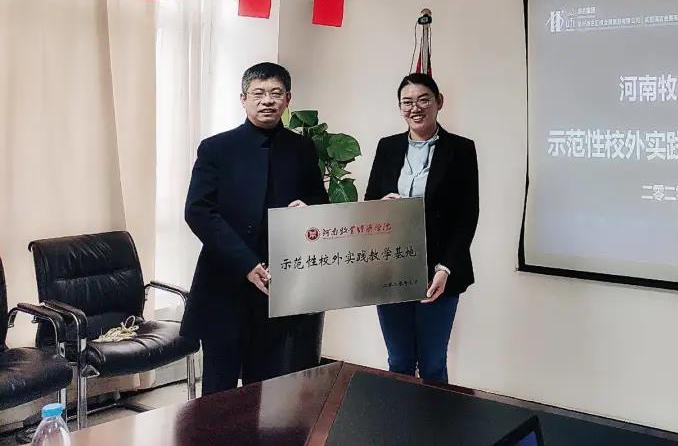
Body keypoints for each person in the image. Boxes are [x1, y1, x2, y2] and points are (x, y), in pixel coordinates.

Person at [181, 62, 329, 395]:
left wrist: (309, 209)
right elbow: (198, 211)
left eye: (276, 93)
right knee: (218, 392)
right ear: (243, 99)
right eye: (258, 93)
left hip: (279, 283)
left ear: (288, 98)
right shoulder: (216, 148)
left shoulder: (301, 148)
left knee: (266, 390)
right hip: (226, 280)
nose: (267, 101)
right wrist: (247, 263)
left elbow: (319, 202)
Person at [364, 73, 479, 384]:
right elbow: (370, 202)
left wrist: (446, 268)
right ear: (400, 108)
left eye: (423, 100)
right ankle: (400, 417)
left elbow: (467, 215)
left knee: (432, 363)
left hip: (438, 271)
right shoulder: (388, 147)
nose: (415, 108)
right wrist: (381, 204)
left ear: (439, 102)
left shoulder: (461, 149)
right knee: (399, 360)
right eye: (407, 102)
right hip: (391, 269)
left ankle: (435, 418)